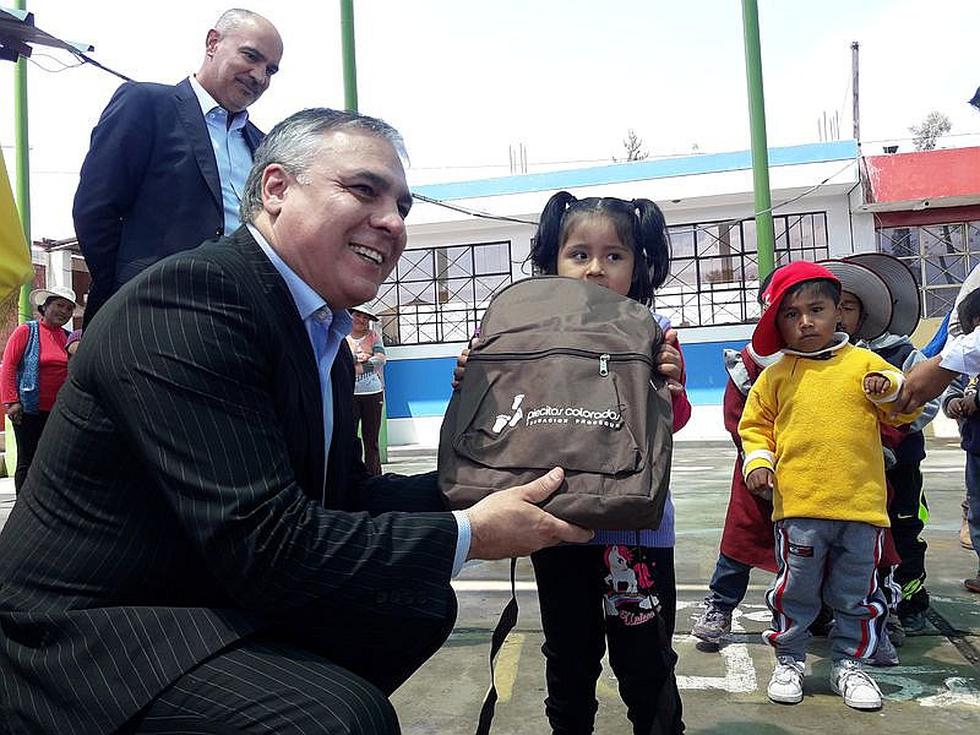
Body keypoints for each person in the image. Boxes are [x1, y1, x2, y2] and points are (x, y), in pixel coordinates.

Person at [0, 109, 593, 735]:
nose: (392, 222)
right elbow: (266, 540)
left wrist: (481, 488)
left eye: (402, 207)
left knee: (413, 603)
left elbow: (342, 495)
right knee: (336, 720)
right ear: (277, 189)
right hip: (90, 630)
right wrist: (472, 534)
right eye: (364, 191)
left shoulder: (320, 330)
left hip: (206, 591)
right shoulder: (192, 300)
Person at [510, 191, 688, 734]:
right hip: (557, 526)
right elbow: (509, 419)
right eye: (579, 254)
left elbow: (671, 424)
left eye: (614, 256)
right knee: (568, 659)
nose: (595, 269)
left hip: (637, 532)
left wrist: (669, 385)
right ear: (553, 262)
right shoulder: (527, 335)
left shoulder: (653, 334)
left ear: (638, 267)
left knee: (647, 665)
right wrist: (475, 377)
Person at [739, 261, 922, 710]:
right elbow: (755, 426)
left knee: (856, 594)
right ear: (778, 324)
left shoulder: (865, 364)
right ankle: (790, 659)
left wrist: (888, 390)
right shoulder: (776, 375)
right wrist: (759, 462)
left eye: (816, 309)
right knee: (795, 590)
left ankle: (849, 664)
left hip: (861, 509)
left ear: (838, 312)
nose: (805, 322)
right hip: (799, 508)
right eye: (791, 314)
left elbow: (902, 412)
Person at [73, 9, 283, 327]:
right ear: (213, 43)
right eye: (250, 56)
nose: (259, 76)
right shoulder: (146, 105)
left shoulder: (264, 145)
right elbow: (95, 209)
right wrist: (133, 285)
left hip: (238, 319)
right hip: (150, 317)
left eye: (270, 70)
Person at [843, 253, 939, 636]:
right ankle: (865, 605)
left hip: (899, 470)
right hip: (851, 476)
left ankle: (910, 602)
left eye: (848, 307)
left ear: (867, 313)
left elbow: (927, 401)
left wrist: (891, 426)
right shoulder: (826, 359)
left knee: (903, 533)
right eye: (837, 306)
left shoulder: (901, 355)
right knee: (858, 543)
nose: (839, 316)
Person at [0, 286, 77, 492]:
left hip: (59, 411)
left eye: (69, 308)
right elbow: (8, 365)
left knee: (53, 460)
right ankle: (22, 510)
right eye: (59, 305)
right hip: (28, 410)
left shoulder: (69, 338)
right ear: (45, 306)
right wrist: (11, 401)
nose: (64, 312)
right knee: (27, 460)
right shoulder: (27, 331)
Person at [346, 303, 387, 475]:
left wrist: (359, 367)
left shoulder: (374, 336)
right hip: (348, 394)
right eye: (358, 315)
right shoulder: (341, 336)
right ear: (351, 315)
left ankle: (374, 477)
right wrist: (356, 357)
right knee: (349, 438)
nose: (361, 320)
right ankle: (351, 475)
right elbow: (339, 359)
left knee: (371, 441)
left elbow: (381, 358)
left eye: (365, 317)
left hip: (372, 393)